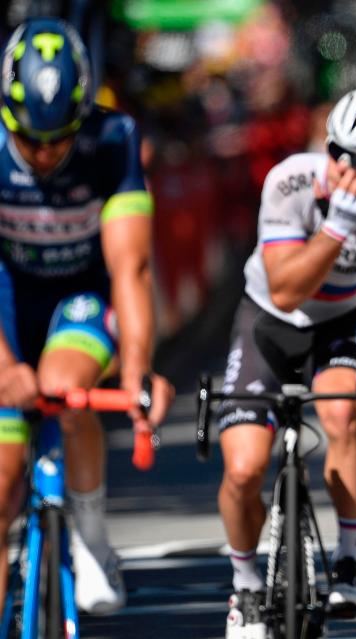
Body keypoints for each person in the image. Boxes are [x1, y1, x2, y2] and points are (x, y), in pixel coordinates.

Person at [215, 84, 356, 636]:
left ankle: (351, 556)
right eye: (339, 153)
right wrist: (337, 230)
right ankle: (245, 587)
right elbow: (283, 292)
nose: (344, 170)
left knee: (342, 415)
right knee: (243, 468)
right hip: (267, 320)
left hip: (340, 326)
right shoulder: (290, 180)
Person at [0, 18, 173, 615]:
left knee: (65, 391)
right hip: (7, 296)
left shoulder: (113, 137)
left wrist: (136, 374)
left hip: (81, 294)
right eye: (29, 140)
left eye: (59, 138)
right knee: (1, 485)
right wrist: (3, 365)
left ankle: (93, 540)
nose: (46, 153)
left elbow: (131, 270)